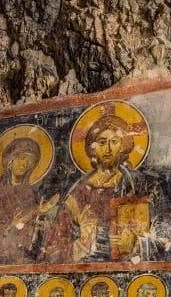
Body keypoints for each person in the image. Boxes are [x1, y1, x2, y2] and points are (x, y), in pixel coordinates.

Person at [42, 108, 160, 262]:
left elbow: (161, 235)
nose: (108, 149)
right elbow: (53, 251)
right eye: (102, 142)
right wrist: (83, 242)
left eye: (114, 142)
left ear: (123, 146)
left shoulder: (138, 184)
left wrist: (136, 240)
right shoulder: (79, 192)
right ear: (93, 148)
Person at [0, 134, 58, 264]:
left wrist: (44, 222)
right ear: (10, 159)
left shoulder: (31, 195)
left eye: (30, 161)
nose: (25, 164)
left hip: (24, 255)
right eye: (22, 158)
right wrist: (9, 227)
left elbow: (35, 230)